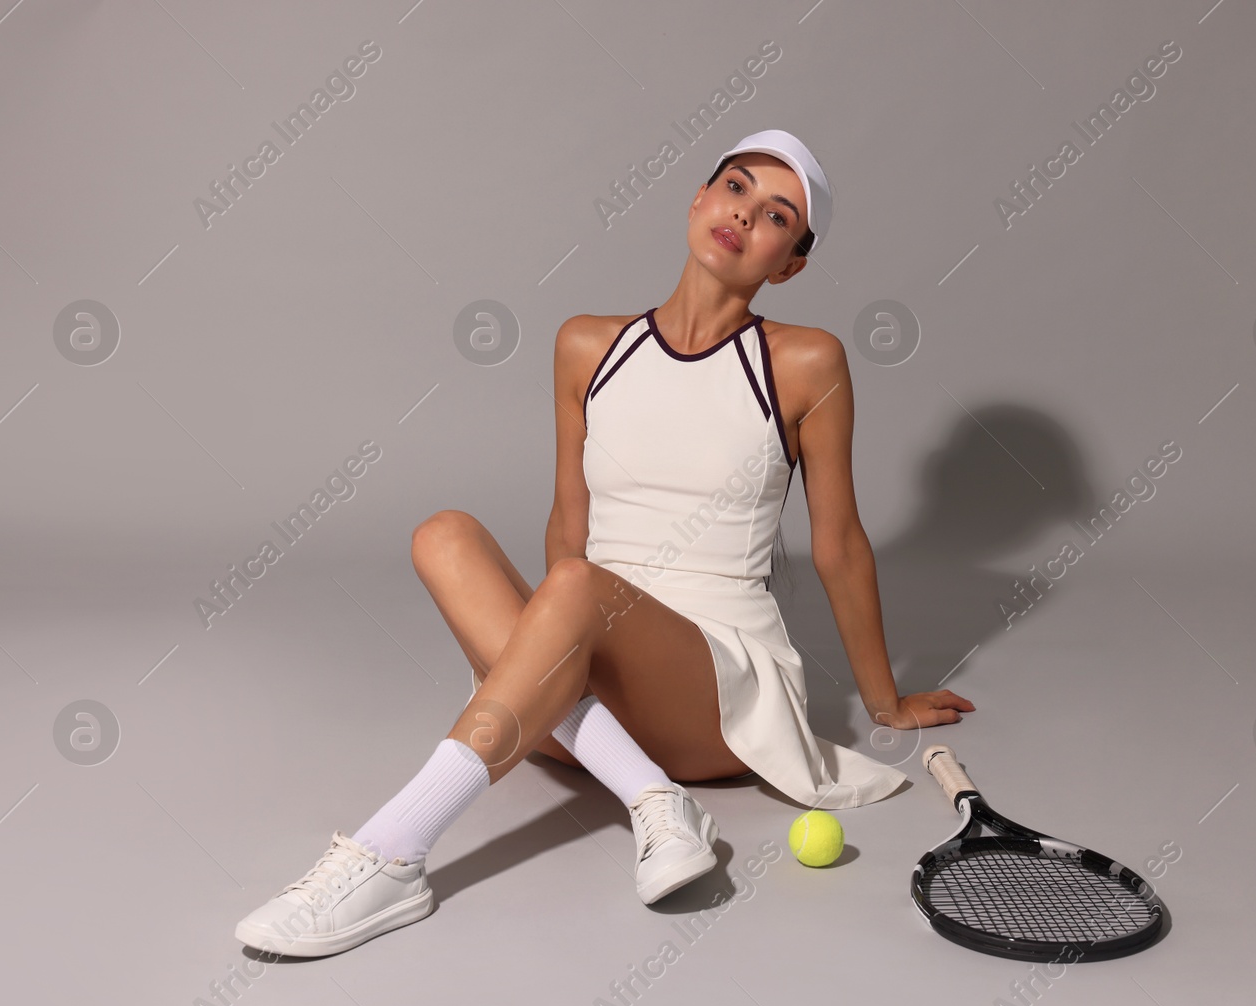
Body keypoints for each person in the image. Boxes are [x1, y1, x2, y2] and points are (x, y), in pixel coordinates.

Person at [234, 130, 974, 958]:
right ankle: (650, 795)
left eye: (776, 216)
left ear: (788, 263)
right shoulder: (587, 344)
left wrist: (884, 702)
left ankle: (391, 853)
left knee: (576, 584)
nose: (743, 213)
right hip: (593, 661)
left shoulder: (806, 362)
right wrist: (555, 644)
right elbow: (568, 520)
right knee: (445, 535)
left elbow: (837, 544)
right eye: (734, 186)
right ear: (696, 199)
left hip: (716, 694)